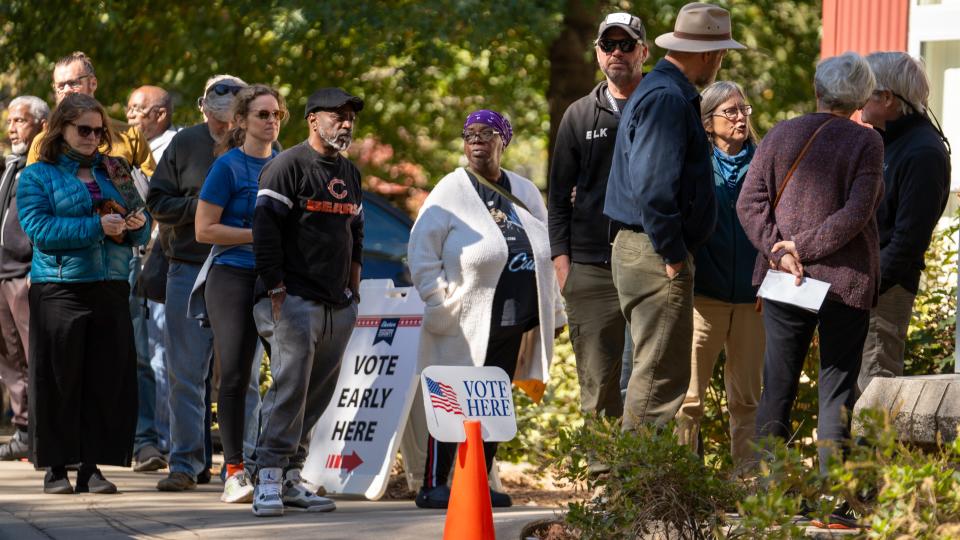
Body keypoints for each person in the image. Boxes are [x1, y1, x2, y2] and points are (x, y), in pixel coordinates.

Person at [409, 109, 566, 509]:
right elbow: (421, 249)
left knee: (492, 398)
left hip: (516, 313)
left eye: (487, 132)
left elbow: (546, 249)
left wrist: (556, 311)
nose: (477, 139)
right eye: (470, 133)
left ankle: (477, 480)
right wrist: (439, 300)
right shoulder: (451, 188)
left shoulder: (525, 190)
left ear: (504, 140)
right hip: (465, 316)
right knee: (452, 396)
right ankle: (434, 483)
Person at [736, 53, 883, 480]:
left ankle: (771, 493)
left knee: (777, 384)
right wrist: (799, 249)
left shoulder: (780, 134)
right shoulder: (866, 141)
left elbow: (749, 204)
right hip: (845, 282)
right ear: (861, 97)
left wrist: (783, 252)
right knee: (836, 390)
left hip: (785, 280)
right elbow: (857, 213)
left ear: (818, 90)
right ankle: (835, 497)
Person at [603, 2, 745, 430]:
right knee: (659, 381)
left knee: (657, 375)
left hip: (645, 247)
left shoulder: (663, 91)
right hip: (653, 251)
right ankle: (635, 493)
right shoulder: (667, 97)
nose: (720, 63)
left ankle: (635, 489)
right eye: (720, 54)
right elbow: (653, 185)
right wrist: (671, 252)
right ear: (706, 53)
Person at [18, 93, 150, 493]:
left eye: (98, 130)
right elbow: (39, 230)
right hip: (59, 287)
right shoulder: (38, 175)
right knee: (58, 378)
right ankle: (55, 467)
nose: (93, 137)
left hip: (109, 285)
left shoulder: (117, 169)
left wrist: (135, 224)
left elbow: (141, 230)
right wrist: (98, 228)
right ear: (62, 129)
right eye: (84, 129)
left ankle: (91, 467)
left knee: (105, 379)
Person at [249, 87, 364, 517]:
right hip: (291, 299)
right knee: (290, 387)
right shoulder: (287, 166)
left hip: (337, 303)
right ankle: (268, 478)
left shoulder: (350, 173)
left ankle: (293, 477)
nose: (347, 123)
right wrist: (276, 289)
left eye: (351, 116)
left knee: (318, 391)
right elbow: (264, 232)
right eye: (338, 115)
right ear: (313, 119)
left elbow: (356, 235)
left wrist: (352, 291)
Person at [548, 12, 648, 435]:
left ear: (645, 51)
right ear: (597, 54)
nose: (617, 53)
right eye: (609, 45)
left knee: (646, 381)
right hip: (590, 268)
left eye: (627, 45)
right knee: (598, 385)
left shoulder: (662, 106)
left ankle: (645, 485)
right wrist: (563, 265)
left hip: (649, 262)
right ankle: (605, 483)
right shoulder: (578, 115)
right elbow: (557, 197)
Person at [147, 74, 247, 491]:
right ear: (203, 109)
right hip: (186, 265)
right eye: (218, 118)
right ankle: (185, 464)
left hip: (240, 267)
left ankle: (241, 465)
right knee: (185, 373)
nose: (225, 128)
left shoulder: (261, 144)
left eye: (232, 120)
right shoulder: (184, 143)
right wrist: (203, 208)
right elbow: (156, 201)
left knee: (238, 375)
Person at [195, 85, 284, 504]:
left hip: (275, 279)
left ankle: (280, 468)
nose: (271, 121)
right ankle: (233, 469)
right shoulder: (228, 167)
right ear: (243, 121)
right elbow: (204, 229)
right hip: (230, 276)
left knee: (290, 374)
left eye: (276, 114)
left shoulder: (286, 166)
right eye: (263, 114)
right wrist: (258, 236)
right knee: (233, 374)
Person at [674, 81, 763, 470]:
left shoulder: (764, 162)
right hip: (703, 297)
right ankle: (683, 484)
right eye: (731, 111)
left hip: (752, 300)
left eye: (744, 109)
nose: (741, 117)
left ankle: (746, 484)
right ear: (708, 122)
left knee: (747, 400)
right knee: (688, 399)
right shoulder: (693, 164)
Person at [857, 52, 951, 393]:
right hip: (863, 286)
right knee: (849, 395)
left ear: (888, 99)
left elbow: (909, 240)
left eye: (865, 90)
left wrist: (869, 285)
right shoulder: (885, 142)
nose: (858, 99)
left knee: (873, 393)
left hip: (885, 291)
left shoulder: (923, 152)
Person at [124, 85, 179, 473]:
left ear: (159, 114)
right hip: (138, 265)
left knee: (162, 356)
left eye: (137, 110)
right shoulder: (126, 151)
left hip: (166, 264)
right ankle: (149, 437)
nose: (130, 117)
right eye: (127, 110)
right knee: (144, 354)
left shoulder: (173, 151)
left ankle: (164, 439)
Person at [0, 96, 49, 461]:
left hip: (26, 272)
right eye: (10, 121)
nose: (12, 127)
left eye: (20, 120)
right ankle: (23, 428)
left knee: (37, 356)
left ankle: (46, 434)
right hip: (2, 275)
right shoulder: (10, 166)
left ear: (42, 125)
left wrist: (37, 266)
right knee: (9, 357)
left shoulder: (43, 167)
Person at [28, 52, 156, 177]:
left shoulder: (129, 135)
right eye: (60, 86)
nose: (66, 90)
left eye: (73, 83)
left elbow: (155, 189)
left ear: (93, 83)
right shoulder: (43, 142)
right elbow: (31, 192)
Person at [127, 85, 178, 162]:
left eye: (137, 109)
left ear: (160, 114)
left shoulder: (179, 148)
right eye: (129, 109)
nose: (129, 115)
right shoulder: (126, 146)